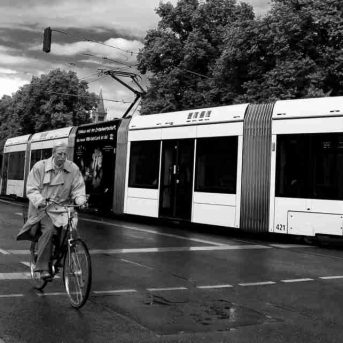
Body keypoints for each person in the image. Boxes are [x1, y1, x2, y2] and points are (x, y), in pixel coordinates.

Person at [17, 142, 86, 279]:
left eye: (65, 154)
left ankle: (60, 259)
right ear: (53, 153)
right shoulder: (40, 167)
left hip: (62, 207)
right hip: (43, 209)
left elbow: (78, 188)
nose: (62, 157)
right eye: (60, 154)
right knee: (48, 230)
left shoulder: (73, 168)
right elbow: (31, 188)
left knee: (71, 229)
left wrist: (80, 200)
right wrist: (40, 200)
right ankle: (42, 268)